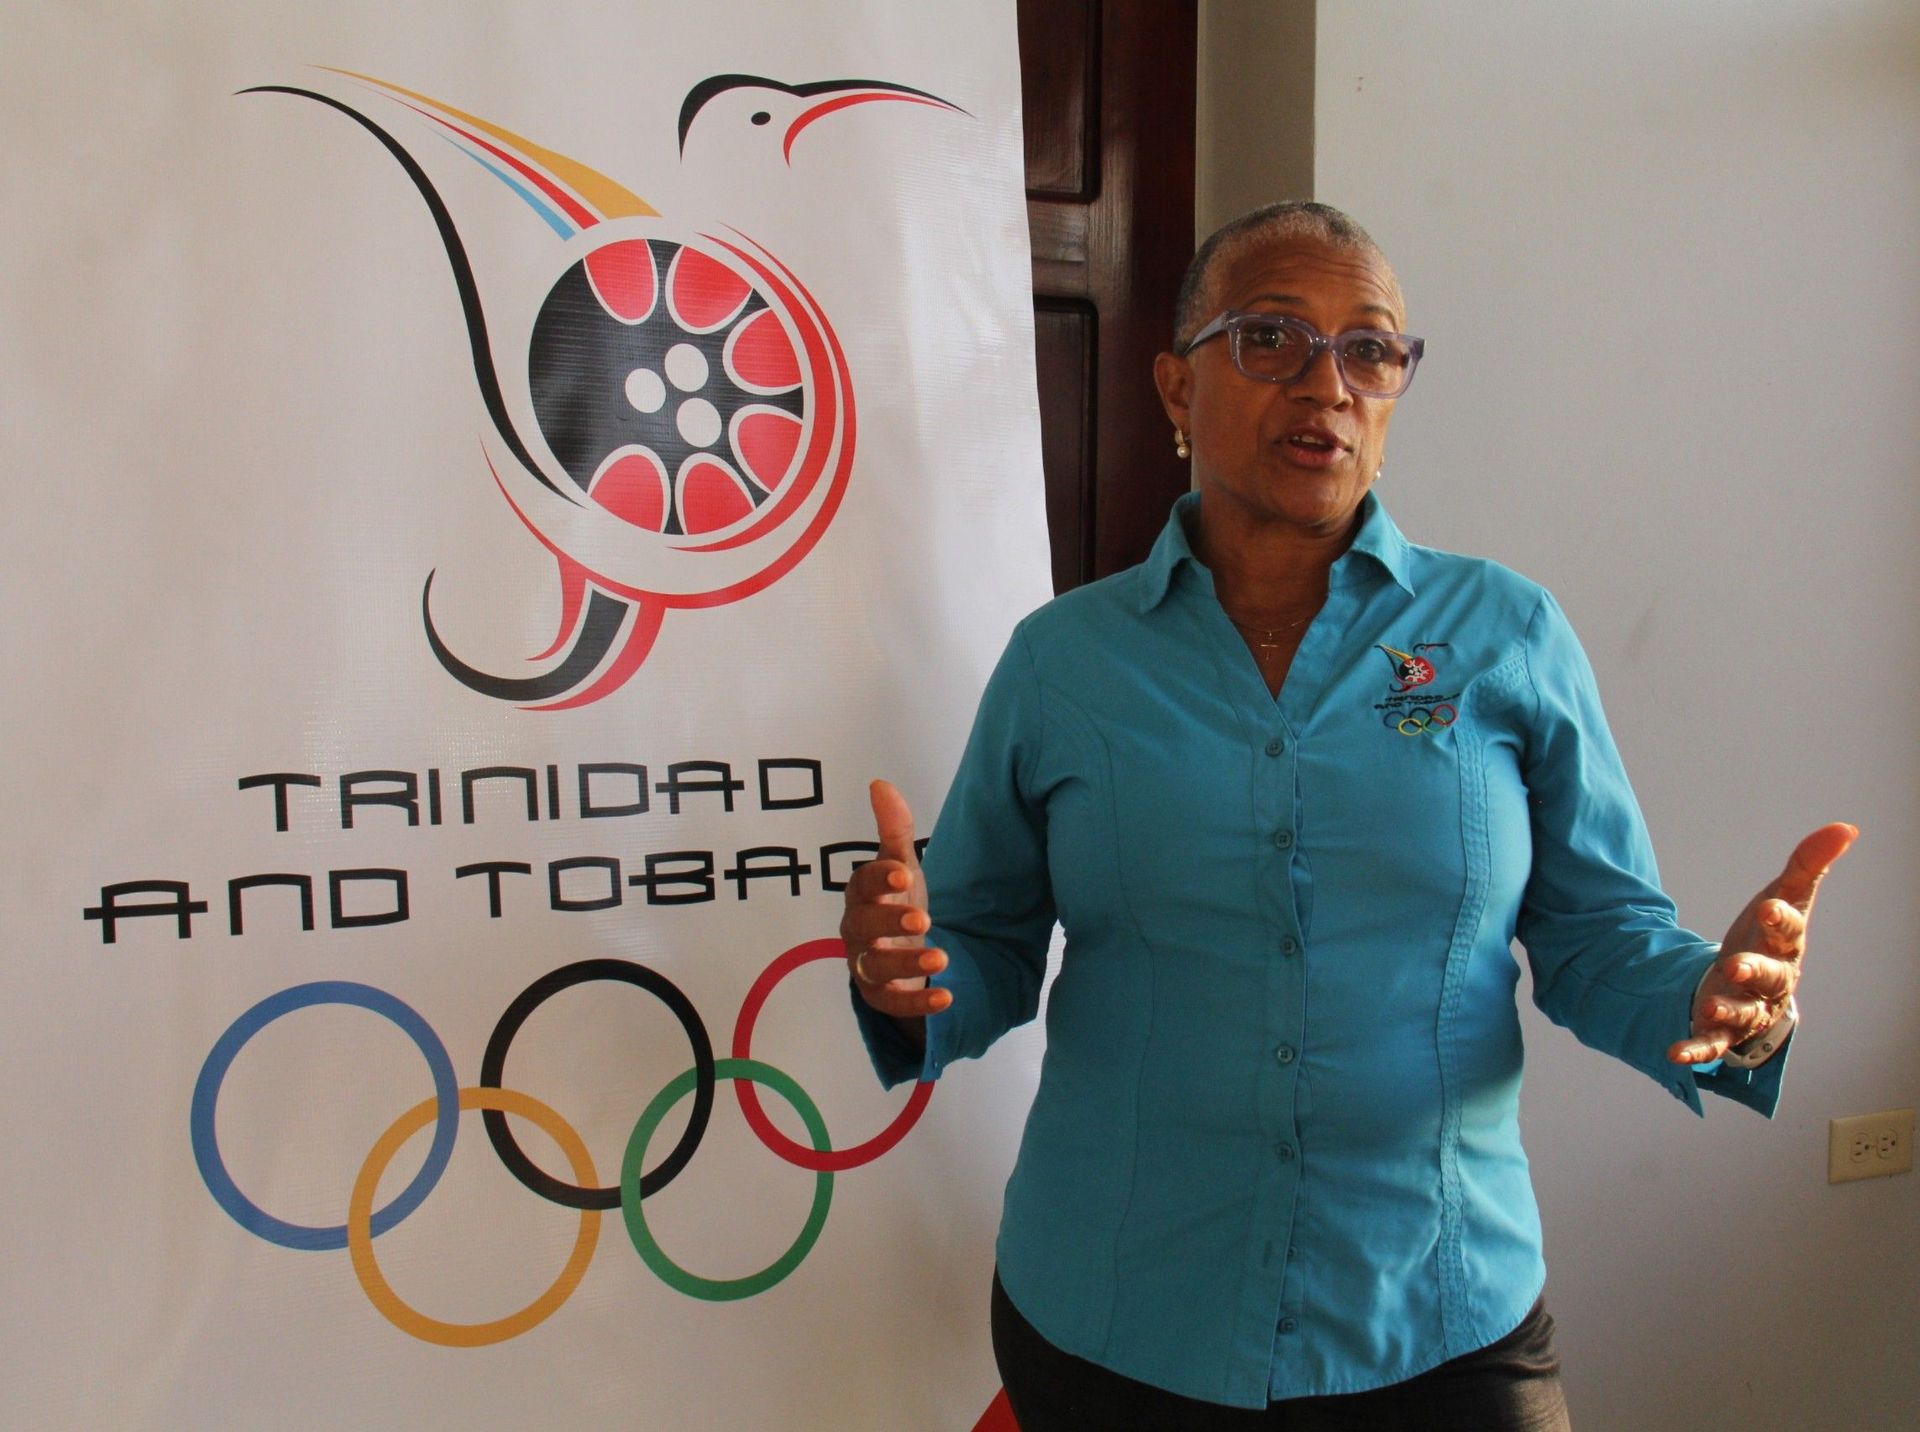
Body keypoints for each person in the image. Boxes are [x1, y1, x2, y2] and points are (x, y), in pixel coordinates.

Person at [840, 201, 1855, 1431]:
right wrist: (914, 972)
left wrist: (1716, 1003)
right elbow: (988, 941)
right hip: (1121, 1311)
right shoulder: (1066, 664)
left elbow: (1598, 935)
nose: (1326, 384)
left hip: (1436, 1310)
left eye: (1370, 349)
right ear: (1175, 385)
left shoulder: (1504, 633)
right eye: (1270, 338)